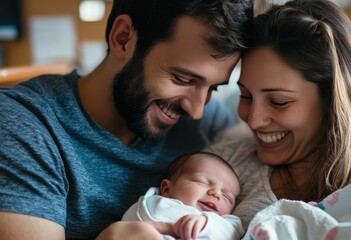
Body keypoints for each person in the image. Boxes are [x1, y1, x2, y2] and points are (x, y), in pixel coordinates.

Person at [0, 0, 253, 239]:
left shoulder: (207, 123)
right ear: (123, 39)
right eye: (183, 79)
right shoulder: (25, 126)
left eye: (213, 89)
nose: (197, 110)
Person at [205, 0, 351, 231]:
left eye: (279, 102)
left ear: (331, 101)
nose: (253, 120)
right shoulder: (223, 163)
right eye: (245, 96)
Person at [122, 151, 244, 240]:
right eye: (202, 182)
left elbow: (231, 234)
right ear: (167, 188)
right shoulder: (150, 203)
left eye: (227, 197)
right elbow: (125, 227)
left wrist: (207, 224)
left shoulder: (224, 222)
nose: (216, 193)